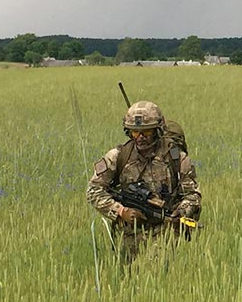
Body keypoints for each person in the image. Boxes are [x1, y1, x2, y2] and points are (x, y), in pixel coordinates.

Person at [86, 101, 201, 262]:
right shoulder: (118, 156)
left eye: (146, 132)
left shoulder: (176, 158)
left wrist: (181, 212)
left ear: (157, 130)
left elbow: (192, 195)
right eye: (135, 132)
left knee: (155, 269)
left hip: (165, 230)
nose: (140, 138)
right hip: (128, 234)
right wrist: (120, 211)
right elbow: (93, 191)